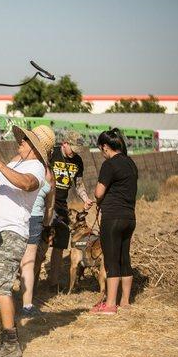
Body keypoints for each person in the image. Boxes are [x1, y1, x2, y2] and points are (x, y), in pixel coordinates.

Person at [0, 124, 55, 357]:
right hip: (0, 232)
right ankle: (5, 338)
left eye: (24, 139)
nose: (19, 141)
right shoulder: (15, 162)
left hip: (11, 232)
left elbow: (28, 184)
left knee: (0, 287)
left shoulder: (37, 168)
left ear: (35, 147)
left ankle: (11, 345)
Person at [90, 128, 138, 315]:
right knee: (124, 257)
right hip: (129, 217)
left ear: (105, 147)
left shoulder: (109, 165)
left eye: (101, 149)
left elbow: (98, 192)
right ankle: (125, 301)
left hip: (113, 217)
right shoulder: (130, 163)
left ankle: (110, 305)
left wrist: (98, 201)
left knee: (111, 260)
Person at [47, 131, 93, 290]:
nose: (74, 152)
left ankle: (53, 283)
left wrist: (85, 198)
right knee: (40, 245)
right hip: (45, 203)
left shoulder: (77, 161)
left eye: (76, 150)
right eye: (72, 148)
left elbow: (78, 183)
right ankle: (30, 283)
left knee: (60, 245)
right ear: (64, 143)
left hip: (61, 205)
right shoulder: (52, 154)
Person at [19, 161, 55, 318]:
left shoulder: (23, 165)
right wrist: (46, 223)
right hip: (36, 218)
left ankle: (9, 298)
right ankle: (26, 304)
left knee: (18, 260)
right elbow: (51, 204)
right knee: (29, 262)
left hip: (19, 216)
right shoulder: (48, 173)